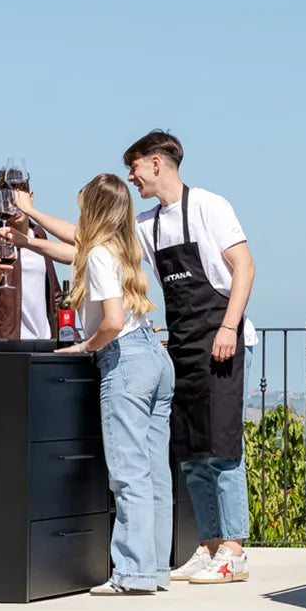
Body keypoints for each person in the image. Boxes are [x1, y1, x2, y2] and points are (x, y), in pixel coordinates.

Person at [125, 131, 256, 586]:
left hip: (222, 339)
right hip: (181, 345)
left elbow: (245, 266)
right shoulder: (148, 224)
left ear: (157, 163)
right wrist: (32, 232)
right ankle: (211, 544)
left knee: (222, 448)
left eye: (135, 166)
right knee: (191, 455)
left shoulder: (208, 206)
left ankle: (235, 551)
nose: (131, 176)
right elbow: (93, 246)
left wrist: (228, 327)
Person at [36, 173, 174, 596]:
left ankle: (132, 574)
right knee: (154, 473)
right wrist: (29, 236)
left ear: (91, 210)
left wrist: (84, 348)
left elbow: (112, 321)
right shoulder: (122, 247)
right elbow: (70, 248)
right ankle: (154, 570)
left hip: (126, 360)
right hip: (155, 356)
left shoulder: (97, 253)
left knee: (128, 473)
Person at [0, 170, 62, 339]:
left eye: (17, 199)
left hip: (46, 339)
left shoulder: (39, 233)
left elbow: (54, 292)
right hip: (8, 340)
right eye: (7, 201)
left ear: (30, 197)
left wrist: (67, 334)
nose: (13, 206)